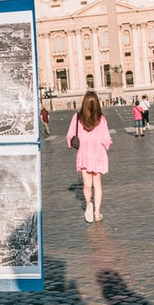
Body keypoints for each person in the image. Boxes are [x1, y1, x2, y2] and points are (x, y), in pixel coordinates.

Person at [66, 90, 111, 223]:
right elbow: (106, 138)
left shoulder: (77, 118)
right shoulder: (101, 119)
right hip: (98, 154)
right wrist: (106, 145)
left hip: (84, 154)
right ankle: (97, 213)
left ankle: (88, 204)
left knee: (86, 185)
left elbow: (70, 136)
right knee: (97, 184)